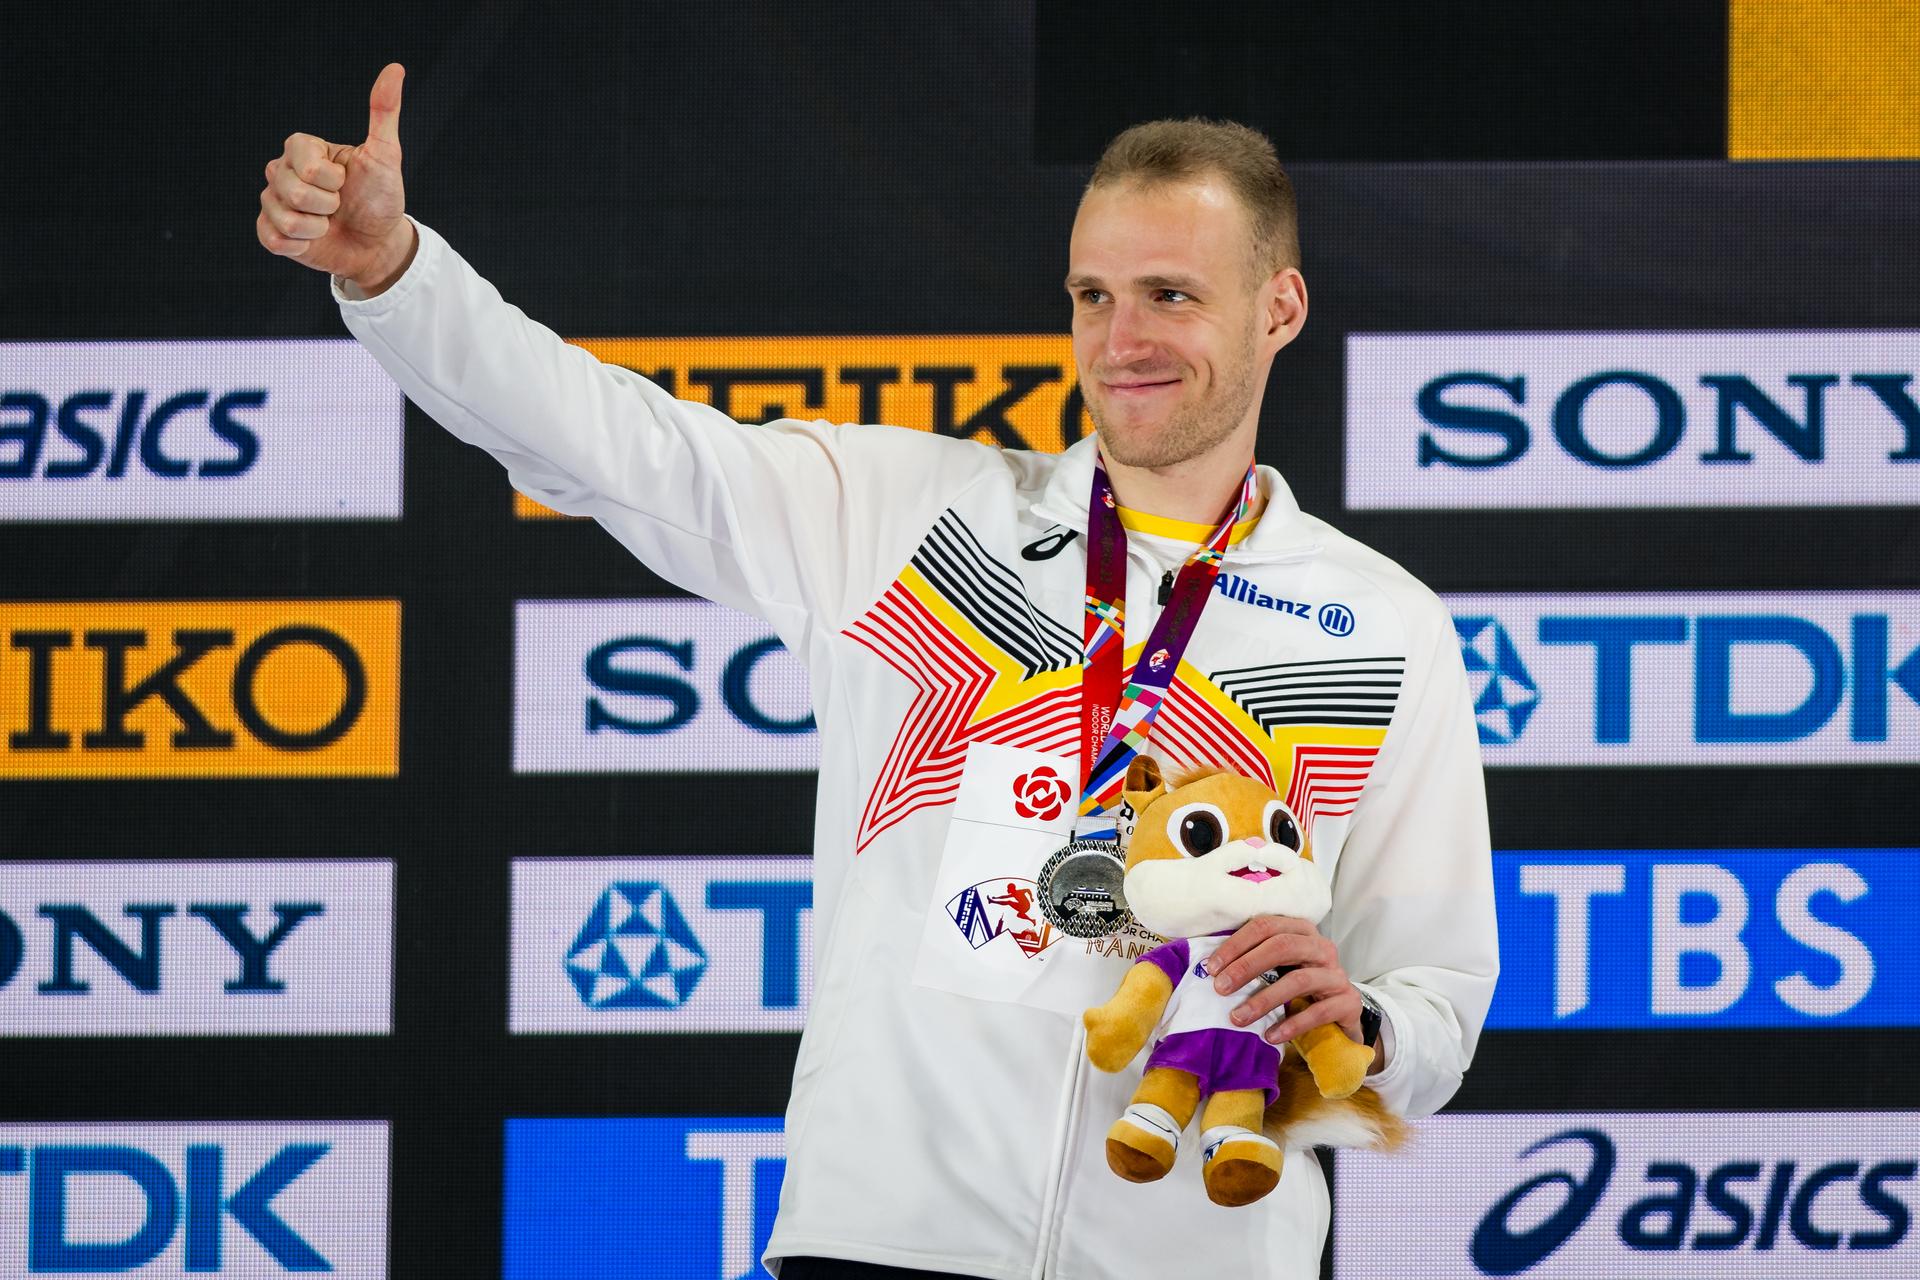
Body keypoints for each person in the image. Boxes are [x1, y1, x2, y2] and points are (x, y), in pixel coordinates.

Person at [258, 63, 1497, 1280]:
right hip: (886, 1241)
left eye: (1171, 294)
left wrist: (1368, 1027)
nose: (1120, 341)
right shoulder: (917, 521)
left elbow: (1435, 994)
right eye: (1091, 295)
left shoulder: (1381, 624)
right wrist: (394, 272)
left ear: (1278, 308)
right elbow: (616, 447)